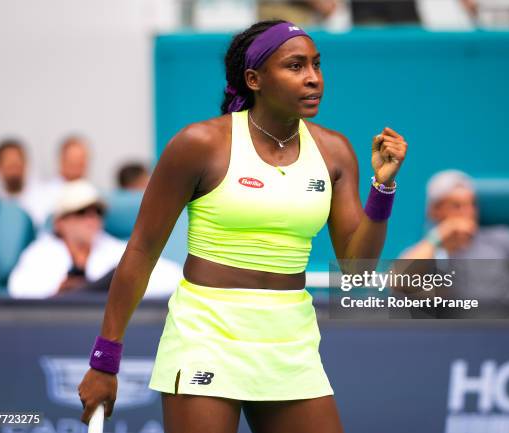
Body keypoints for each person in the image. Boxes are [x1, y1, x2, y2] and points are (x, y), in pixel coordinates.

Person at [78, 20, 408, 432]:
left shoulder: (335, 152)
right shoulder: (200, 144)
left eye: (316, 65)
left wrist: (383, 186)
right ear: (254, 79)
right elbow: (142, 251)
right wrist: (105, 359)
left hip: (291, 342)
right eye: (295, 66)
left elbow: (358, 271)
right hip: (206, 336)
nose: (313, 79)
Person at [398, 170, 509, 305]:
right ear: (435, 211)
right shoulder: (428, 249)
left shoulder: (500, 238)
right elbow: (397, 280)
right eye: (456, 206)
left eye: (472, 204)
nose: (468, 212)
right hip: (454, 334)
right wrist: (439, 237)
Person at [8, 180, 182, 299]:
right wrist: (58, 290)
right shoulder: (39, 253)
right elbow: (18, 289)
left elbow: (173, 277)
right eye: (82, 212)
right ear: (59, 223)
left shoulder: (115, 249)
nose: (92, 218)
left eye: (97, 212)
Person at [0, 138, 50, 227]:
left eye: (17, 166)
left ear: (26, 164)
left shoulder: (45, 199)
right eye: (10, 166)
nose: (15, 172)